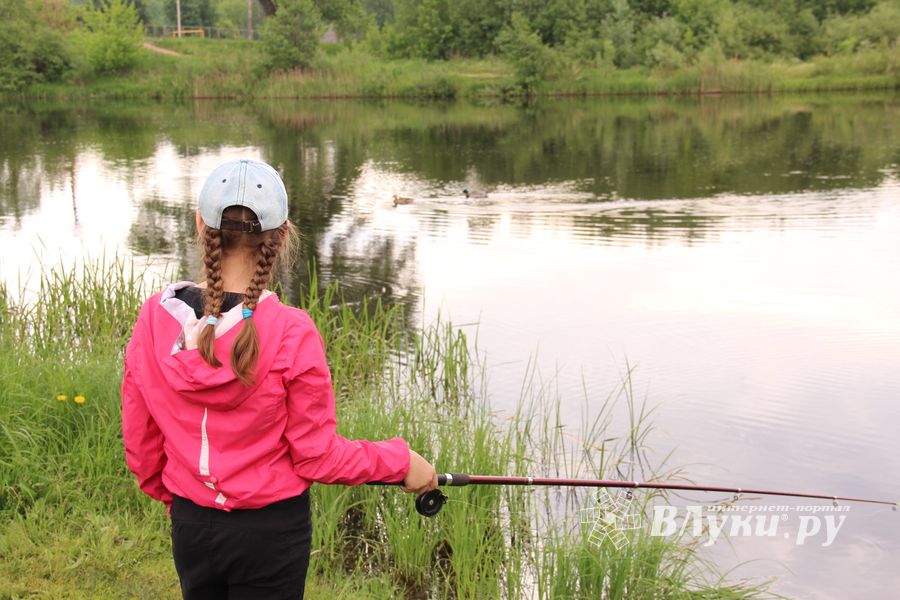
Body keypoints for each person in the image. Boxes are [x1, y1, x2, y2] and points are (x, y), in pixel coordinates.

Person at [121, 159, 437, 600]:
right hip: (270, 532)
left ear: (200, 224)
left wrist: (182, 500)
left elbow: (141, 441)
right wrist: (401, 462)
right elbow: (317, 457)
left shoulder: (154, 318)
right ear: (282, 235)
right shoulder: (291, 330)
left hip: (192, 524)